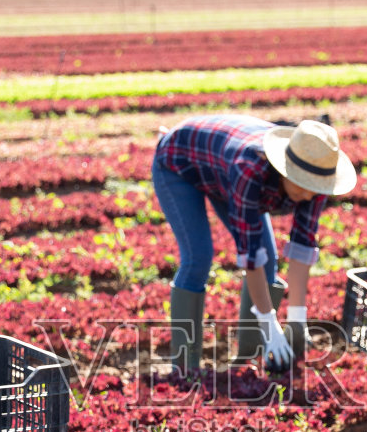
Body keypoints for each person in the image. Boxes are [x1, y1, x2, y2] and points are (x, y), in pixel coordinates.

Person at [152, 116, 356, 373]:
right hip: (179, 161)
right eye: (303, 184)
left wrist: (297, 318)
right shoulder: (250, 170)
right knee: (198, 257)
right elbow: (250, 254)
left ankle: (249, 356)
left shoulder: (317, 177)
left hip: (220, 168)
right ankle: (184, 366)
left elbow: (302, 247)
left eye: (314, 189)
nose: (308, 196)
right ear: (284, 168)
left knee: (269, 260)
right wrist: (270, 324)